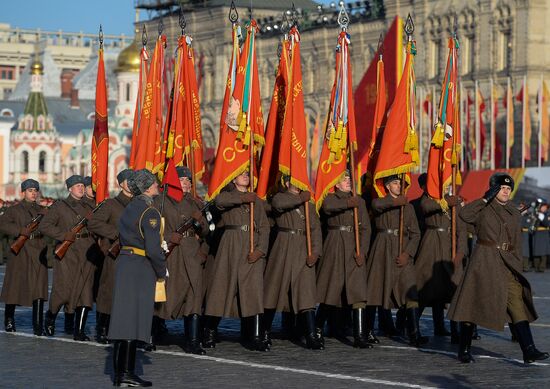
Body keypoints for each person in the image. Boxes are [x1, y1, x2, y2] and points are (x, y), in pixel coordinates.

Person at [448, 173, 549, 363]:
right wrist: (485, 198)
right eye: (502, 188)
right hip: (484, 261)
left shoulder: (513, 210)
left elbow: (517, 240)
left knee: (516, 303)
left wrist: (518, 263)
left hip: (507, 263)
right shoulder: (484, 207)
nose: (506, 191)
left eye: (508, 189)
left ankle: (529, 350)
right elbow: (464, 215)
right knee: (473, 304)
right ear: (494, 189)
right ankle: (464, 349)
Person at [109, 169, 167, 387]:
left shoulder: (130, 207)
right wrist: (161, 270)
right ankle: (127, 373)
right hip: (140, 268)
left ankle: (119, 373)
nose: (157, 186)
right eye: (155, 183)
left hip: (126, 263)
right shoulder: (149, 212)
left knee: (124, 319)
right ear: (148, 187)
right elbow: (153, 249)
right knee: (133, 321)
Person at [203, 171, 270, 351]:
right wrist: (241, 199)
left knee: (253, 292)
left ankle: (255, 335)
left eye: (247, 174)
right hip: (231, 244)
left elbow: (264, 226)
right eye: (241, 174)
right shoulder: (228, 195)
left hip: (252, 245)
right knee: (221, 289)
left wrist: (261, 249)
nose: (246, 176)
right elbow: (219, 202)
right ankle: (209, 331)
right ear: (233, 178)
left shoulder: (256, 199)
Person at [263, 176, 323, 349]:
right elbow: (278, 205)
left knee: (306, 292)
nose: (300, 185)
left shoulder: (309, 206)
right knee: (273, 291)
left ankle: (311, 335)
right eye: (296, 181)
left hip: (304, 249)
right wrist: (300, 199)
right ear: (288, 183)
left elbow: (316, 230)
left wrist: (316, 252)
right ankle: (264, 331)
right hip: (284, 247)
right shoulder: (280, 197)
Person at [364, 175, 425, 347]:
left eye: (401, 184)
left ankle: (414, 334)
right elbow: (376, 206)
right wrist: (395, 203)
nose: (399, 186)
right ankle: (367, 330)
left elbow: (416, 234)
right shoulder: (380, 202)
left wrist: (408, 253)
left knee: (411, 292)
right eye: (396, 183)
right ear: (388, 186)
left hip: (403, 250)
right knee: (375, 291)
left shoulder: (408, 207)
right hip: (382, 249)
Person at [155, 166, 209, 355]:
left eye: (189, 181)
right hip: (170, 253)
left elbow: (207, 231)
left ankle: (193, 341)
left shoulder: (196, 203)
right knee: (164, 294)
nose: (187, 183)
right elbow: (151, 226)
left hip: (191, 253)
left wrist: (200, 222)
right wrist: (169, 235)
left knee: (194, 295)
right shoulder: (160, 201)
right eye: (183, 180)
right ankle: (153, 333)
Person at [315, 171, 372, 348]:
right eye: (344, 179)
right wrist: (348, 203)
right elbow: (327, 208)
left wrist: (362, 250)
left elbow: (366, 229)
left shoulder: (360, 201)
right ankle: (317, 328)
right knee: (330, 291)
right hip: (335, 245)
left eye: (349, 179)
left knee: (358, 292)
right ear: (336, 184)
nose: (348, 182)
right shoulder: (331, 197)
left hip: (354, 248)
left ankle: (359, 335)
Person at [40, 175, 97, 341]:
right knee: (63, 289)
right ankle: (50, 318)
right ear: (70, 188)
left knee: (86, 289)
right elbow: (45, 226)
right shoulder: (59, 206)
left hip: (87, 250)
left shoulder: (89, 206)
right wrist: (63, 235)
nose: (80, 188)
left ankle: (78, 331)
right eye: (77, 185)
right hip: (68, 252)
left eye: (82, 185)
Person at [414, 187, 467, 340]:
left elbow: (462, 231)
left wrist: (460, 252)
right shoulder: (429, 199)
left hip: (450, 248)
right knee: (424, 289)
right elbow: (426, 207)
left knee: (454, 289)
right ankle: (413, 329)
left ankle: (456, 332)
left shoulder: (454, 201)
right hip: (431, 245)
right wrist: (445, 202)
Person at [87, 169, 134, 343]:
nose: (131, 183)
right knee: (109, 292)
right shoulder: (111, 205)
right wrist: (115, 233)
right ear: (121, 184)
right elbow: (93, 223)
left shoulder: (140, 204)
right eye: (128, 180)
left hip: (135, 255)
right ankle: (103, 327)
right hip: (116, 254)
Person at [0, 179, 48, 335]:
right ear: (23, 192)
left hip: (39, 249)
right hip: (21, 251)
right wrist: (20, 230)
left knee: (39, 287)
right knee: (14, 286)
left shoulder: (44, 210)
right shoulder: (15, 210)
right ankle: (9, 319)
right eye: (30, 190)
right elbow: (3, 224)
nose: (33, 193)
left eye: (35, 190)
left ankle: (38, 325)